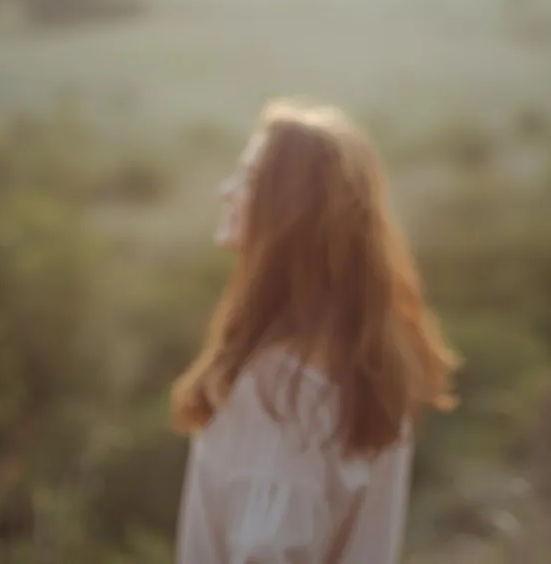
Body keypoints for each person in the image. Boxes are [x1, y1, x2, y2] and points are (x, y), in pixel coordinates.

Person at [170, 98, 460, 563]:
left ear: (287, 208)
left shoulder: (280, 391)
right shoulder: (372, 373)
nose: (226, 190)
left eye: (246, 178)